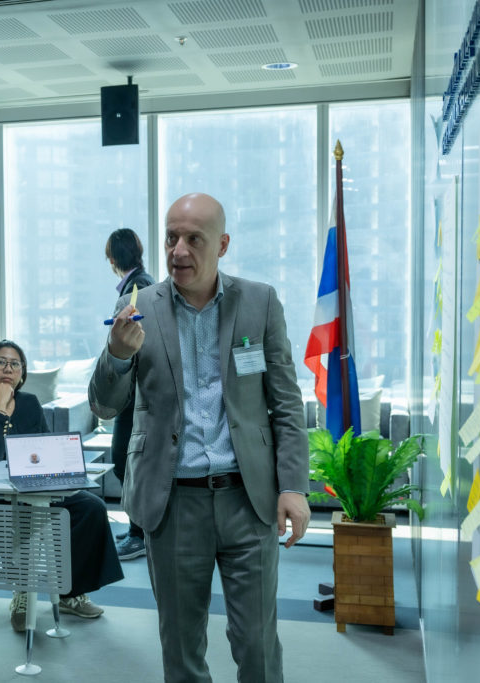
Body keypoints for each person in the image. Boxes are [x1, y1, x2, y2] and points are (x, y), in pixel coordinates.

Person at [88, 193, 311, 682]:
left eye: (194, 239)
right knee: (182, 647)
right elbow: (103, 406)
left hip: (248, 500)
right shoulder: (138, 307)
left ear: (222, 245)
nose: (179, 251)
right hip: (172, 504)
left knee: (257, 644)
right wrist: (117, 355)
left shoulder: (260, 302)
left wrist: (294, 486)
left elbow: (286, 404)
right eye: (171, 238)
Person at [0, 340, 124, 632]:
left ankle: (69, 592)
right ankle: (23, 591)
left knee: (91, 507)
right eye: (1, 362)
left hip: (33, 486)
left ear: (22, 373)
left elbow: (45, 448)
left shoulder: (30, 403)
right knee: (20, 519)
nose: (8, 369)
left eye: (15, 364)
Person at [104, 228, 155, 561]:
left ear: (112, 258)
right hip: (134, 391)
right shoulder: (139, 284)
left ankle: (141, 533)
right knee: (126, 462)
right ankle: (140, 529)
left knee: (126, 462)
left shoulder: (139, 288)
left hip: (137, 393)